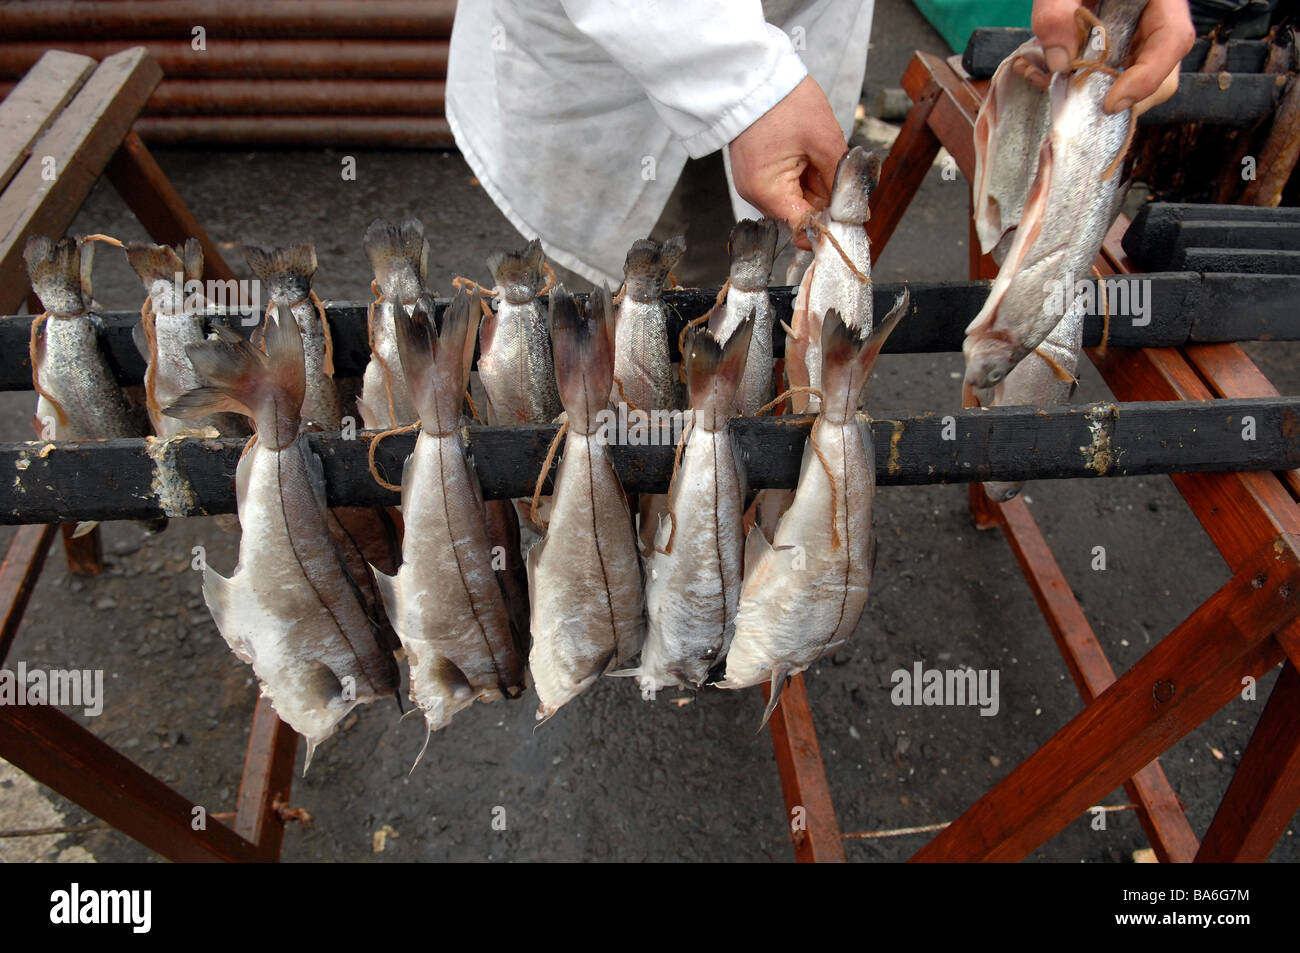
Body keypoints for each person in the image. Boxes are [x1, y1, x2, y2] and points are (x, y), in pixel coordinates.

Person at [446, 1, 1195, 288]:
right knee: (605, 318)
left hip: (799, 30)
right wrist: (740, 80)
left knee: (743, 290)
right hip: (604, 58)